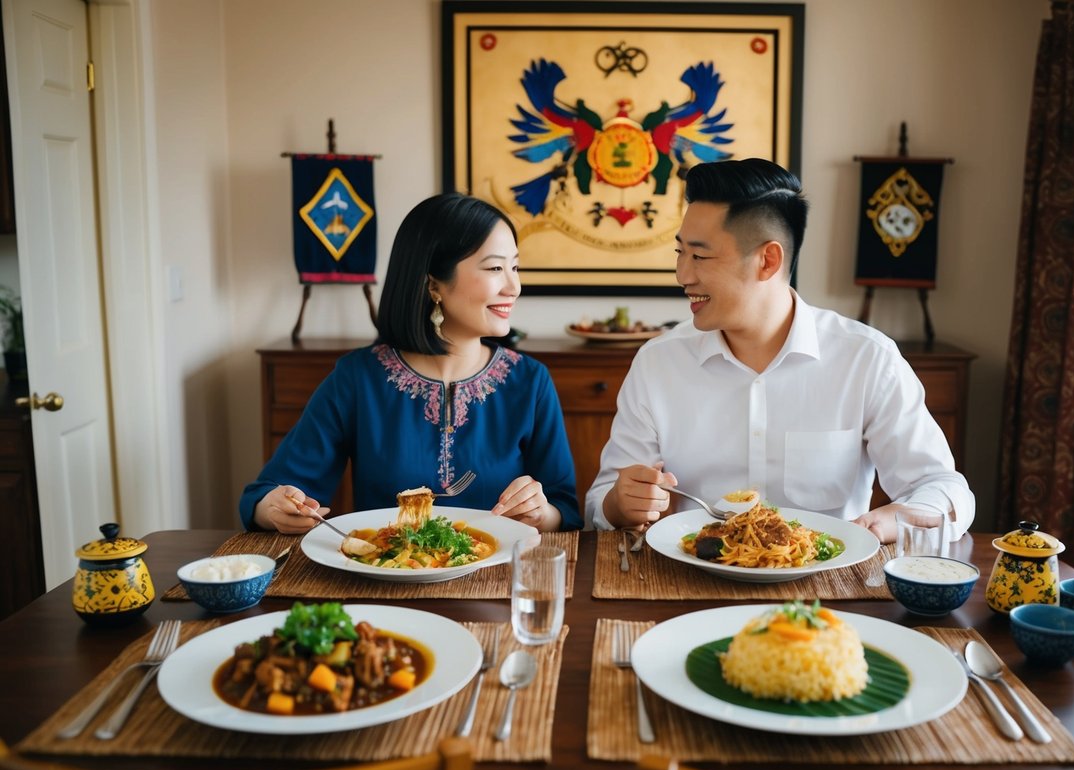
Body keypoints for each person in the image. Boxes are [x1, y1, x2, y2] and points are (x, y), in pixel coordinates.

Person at [585, 158, 973, 543]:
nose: (683, 275)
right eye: (680, 253)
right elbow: (601, 502)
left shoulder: (866, 359)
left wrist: (894, 520)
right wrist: (620, 503)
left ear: (768, 260)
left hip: (826, 588)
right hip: (687, 582)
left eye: (700, 256)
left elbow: (944, 489)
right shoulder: (658, 362)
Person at [240, 193, 582, 533]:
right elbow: (269, 492)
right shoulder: (357, 379)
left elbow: (563, 508)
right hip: (385, 579)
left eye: (515, 267)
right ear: (434, 284)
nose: (514, 286)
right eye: (495, 268)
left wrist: (542, 513)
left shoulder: (530, 381)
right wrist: (273, 506)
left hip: (499, 581)